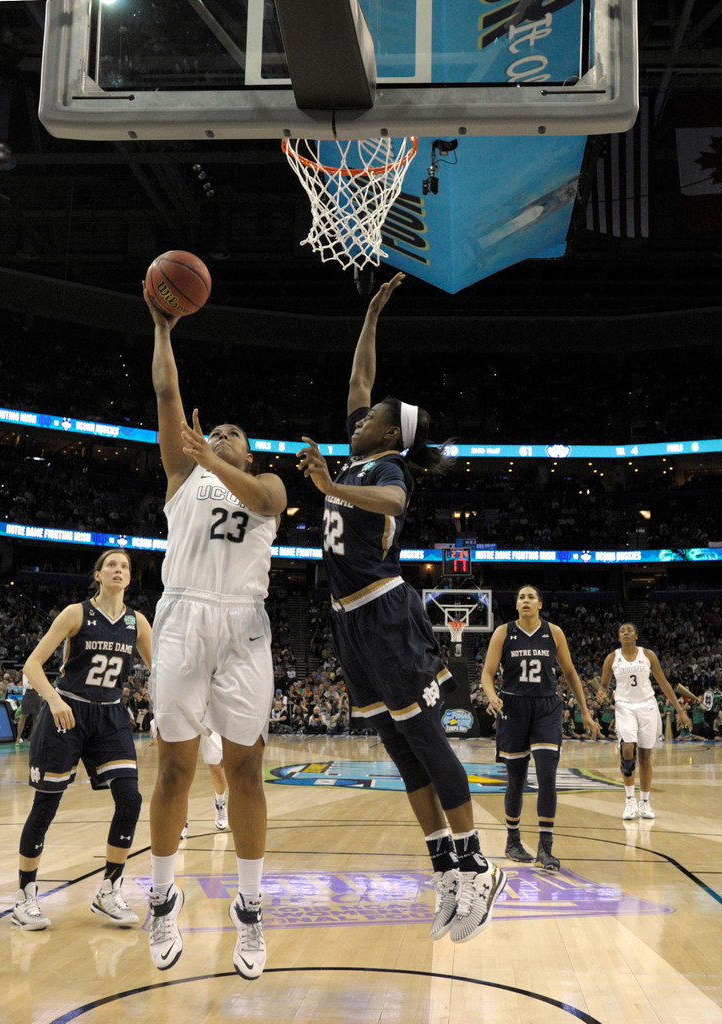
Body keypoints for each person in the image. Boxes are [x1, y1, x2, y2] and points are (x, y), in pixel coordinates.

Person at [297, 272, 505, 945]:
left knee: (423, 735)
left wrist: (329, 484)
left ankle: (476, 864)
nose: (360, 418)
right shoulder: (360, 454)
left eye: (374, 417)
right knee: (393, 742)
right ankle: (443, 866)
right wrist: (372, 314)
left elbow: (390, 507)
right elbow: (358, 382)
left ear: (393, 433)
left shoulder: (388, 471)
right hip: (348, 618)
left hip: (387, 611)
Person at [144, 288, 287, 978]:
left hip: (242, 627)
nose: (221, 435)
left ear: (249, 451)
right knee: (173, 765)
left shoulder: (269, 487)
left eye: (234, 435)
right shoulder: (183, 472)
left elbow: (259, 499)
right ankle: (163, 895)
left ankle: (250, 909)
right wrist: (162, 330)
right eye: (216, 432)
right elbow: (168, 397)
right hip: (182, 615)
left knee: (246, 769)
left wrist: (214, 458)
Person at [11, 549, 152, 931]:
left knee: (131, 798)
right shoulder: (76, 613)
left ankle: (109, 891)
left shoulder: (137, 622)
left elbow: (159, 672)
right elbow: (32, 665)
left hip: (110, 716)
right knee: (45, 807)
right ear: (98, 575)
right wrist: (53, 700)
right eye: (112, 565)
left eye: (124, 566)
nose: (119, 570)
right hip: (68, 712)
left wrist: (167, 716)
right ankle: (25, 896)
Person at [480, 585, 601, 871]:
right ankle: (513, 841)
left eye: (530, 597)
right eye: (521, 596)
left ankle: (545, 848)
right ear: (516, 604)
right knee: (517, 779)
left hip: (547, 707)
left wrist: (585, 711)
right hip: (513, 707)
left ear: (540, 604)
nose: (525, 600)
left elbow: (570, 672)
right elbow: (487, 673)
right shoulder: (503, 632)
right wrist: (492, 695)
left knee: (547, 776)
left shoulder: (554, 632)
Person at [598, 622, 692, 818]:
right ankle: (630, 800)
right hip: (624, 706)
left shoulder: (648, 655)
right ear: (618, 637)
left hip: (647, 706)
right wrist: (601, 692)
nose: (625, 633)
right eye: (622, 631)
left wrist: (680, 710)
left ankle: (645, 802)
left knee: (645, 756)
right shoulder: (612, 658)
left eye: (629, 630)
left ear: (636, 635)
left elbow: (663, 683)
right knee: (627, 749)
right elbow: (604, 685)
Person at [179, 731, 229, 839]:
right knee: (181, 767)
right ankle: (180, 817)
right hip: (187, 715)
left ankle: (220, 801)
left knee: (218, 773)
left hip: (212, 717)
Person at [15, 671, 42, 744]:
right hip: (28, 694)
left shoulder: (40, 671)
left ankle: (32, 737)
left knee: (36, 717)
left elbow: (42, 683)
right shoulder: (27, 671)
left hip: (38, 694)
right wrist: (37, 683)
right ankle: (18, 738)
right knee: (23, 715)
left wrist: (33, 682)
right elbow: (27, 685)